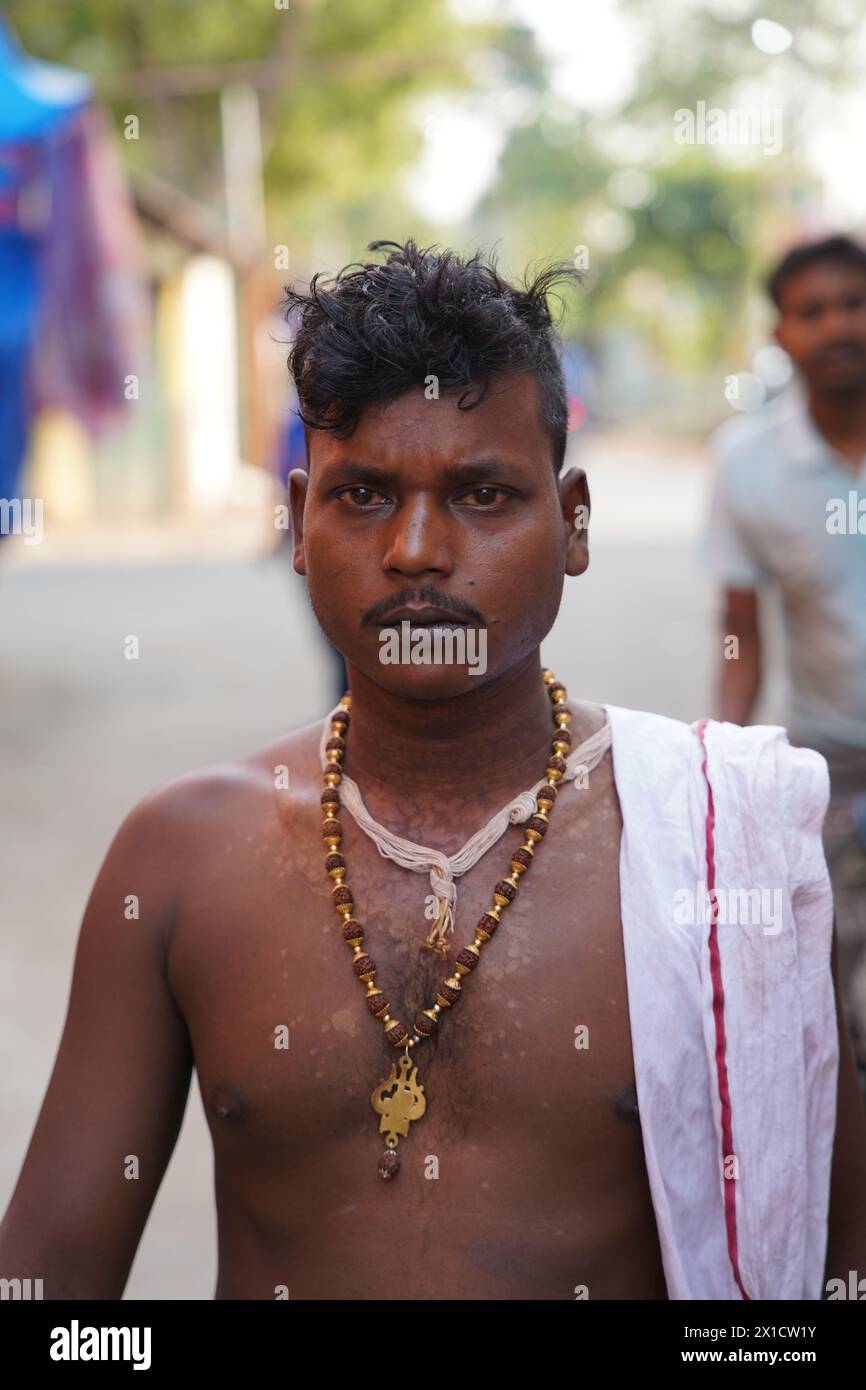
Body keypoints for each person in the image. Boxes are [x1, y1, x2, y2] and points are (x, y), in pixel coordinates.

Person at [2, 239, 865, 1301]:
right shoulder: (180, 856)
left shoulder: (722, 841)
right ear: (297, 525)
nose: (415, 549)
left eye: (483, 495)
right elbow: (46, 1287)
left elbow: (833, 1268)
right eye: (362, 495)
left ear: (573, 521)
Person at [706, 234, 866, 1094]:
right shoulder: (748, 462)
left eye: (854, 301)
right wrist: (718, 775)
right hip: (829, 761)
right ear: (782, 332)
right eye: (813, 310)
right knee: (817, 991)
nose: (838, 323)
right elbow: (740, 628)